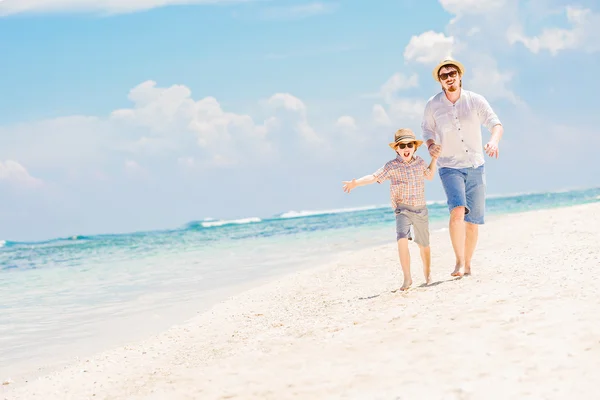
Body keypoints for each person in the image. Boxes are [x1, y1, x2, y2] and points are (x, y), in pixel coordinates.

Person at [421, 57, 504, 277]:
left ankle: (468, 263)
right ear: (440, 81)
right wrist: (430, 145)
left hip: (476, 164)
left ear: (459, 76)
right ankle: (458, 261)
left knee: (472, 221)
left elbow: (495, 123)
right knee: (457, 211)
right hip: (449, 166)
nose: (449, 78)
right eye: (444, 75)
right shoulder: (433, 104)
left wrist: (494, 141)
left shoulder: (475, 100)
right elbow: (427, 130)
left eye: (452, 74)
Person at [342, 128, 438, 291]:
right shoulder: (391, 166)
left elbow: (429, 176)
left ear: (414, 147)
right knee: (401, 239)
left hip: (420, 209)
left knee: (424, 245)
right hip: (402, 209)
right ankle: (407, 278)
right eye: (402, 146)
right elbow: (374, 177)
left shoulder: (420, 162)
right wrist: (356, 183)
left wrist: (434, 159)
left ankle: (427, 273)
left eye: (409, 145)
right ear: (396, 149)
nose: (406, 149)